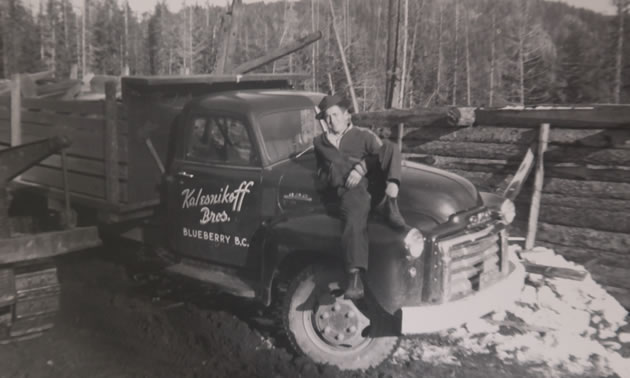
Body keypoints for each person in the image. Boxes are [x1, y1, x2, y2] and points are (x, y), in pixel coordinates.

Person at [313, 93, 407, 300]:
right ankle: (354, 279)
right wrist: (333, 174)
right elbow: (320, 171)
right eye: (327, 117)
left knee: (391, 147)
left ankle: (391, 201)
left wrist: (361, 168)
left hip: (368, 182)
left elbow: (380, 155)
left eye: (336, 115)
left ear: (347, 116)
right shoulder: (319, 143)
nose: (331, 120)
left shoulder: (362, 136)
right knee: (354, 217)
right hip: (347, 189)